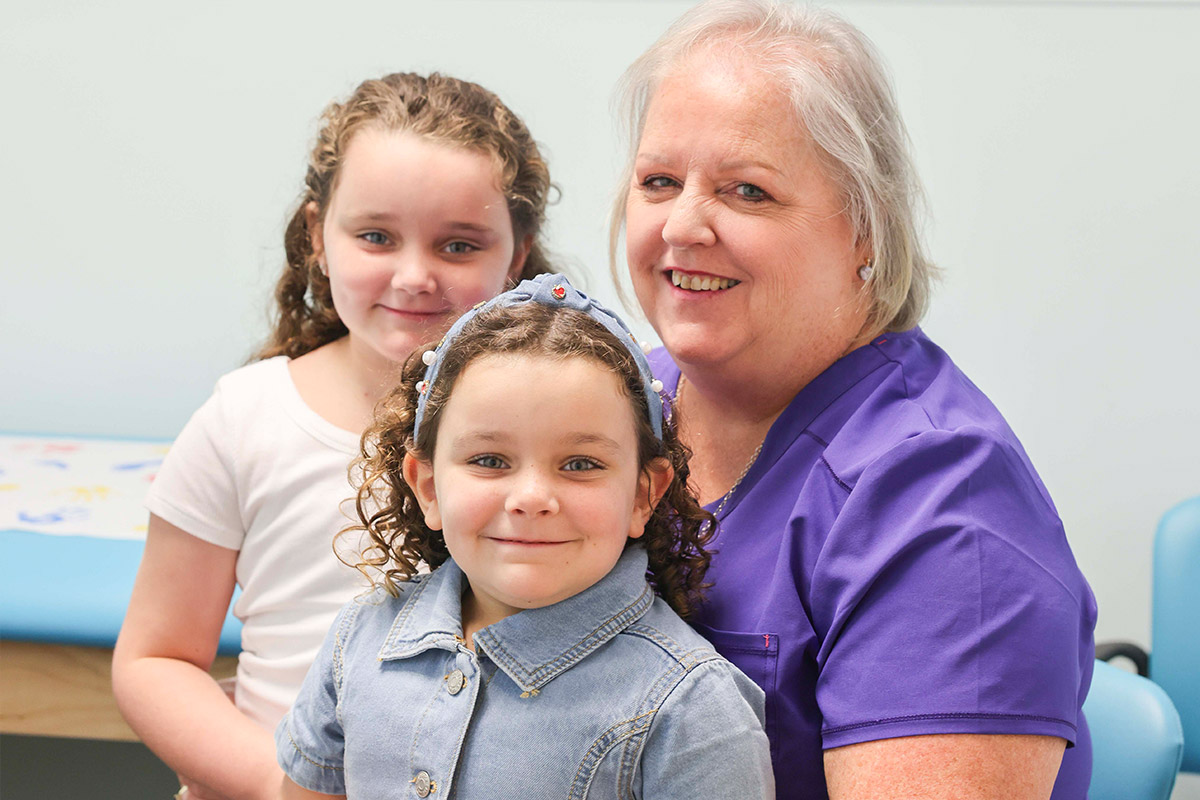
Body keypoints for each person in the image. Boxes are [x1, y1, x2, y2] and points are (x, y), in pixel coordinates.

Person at [609, 2, 1097, 798]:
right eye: (659, 181)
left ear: (865, 228)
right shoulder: (613, 401)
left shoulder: (946, 510)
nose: (684, 225)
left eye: (748, 192)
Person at [112, 72, 554, 800]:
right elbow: (155, 660)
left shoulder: (568, 430)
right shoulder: (243, 420)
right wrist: (283, 783)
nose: (414, 276)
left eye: (458, 245)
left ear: (515, 254)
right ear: (318, 237)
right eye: (376, 236)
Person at [276, 274, 774, 798]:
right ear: (428, 486)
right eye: (489, 460)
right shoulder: (361, 637)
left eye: (580, 464)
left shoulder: (691, 706)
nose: (532, 497)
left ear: (642, 495)